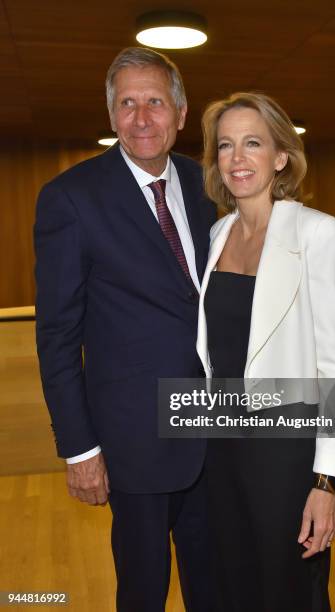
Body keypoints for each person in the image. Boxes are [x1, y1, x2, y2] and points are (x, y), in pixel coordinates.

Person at [34, 47, 216, 612]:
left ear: (181, 113)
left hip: (219, 426)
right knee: (143, 590)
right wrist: (80, 449)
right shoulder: (71, 198)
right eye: (127, 103)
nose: (142, 118)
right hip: (134, 440)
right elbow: (58, 334)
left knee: (218, 582)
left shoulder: (209, 183)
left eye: (155, 102)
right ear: (112, 115)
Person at [197, 92, 335, 611]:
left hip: (285, 452)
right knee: (232, 583)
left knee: (289, 591)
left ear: (281, 156)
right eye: (225, 145)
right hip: (219, 446)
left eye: (253, 144)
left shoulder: (316, 233)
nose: (237, 158)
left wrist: (326, 483)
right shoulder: (217, 234)